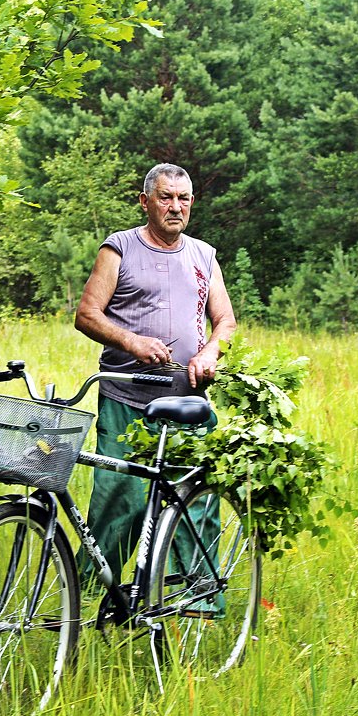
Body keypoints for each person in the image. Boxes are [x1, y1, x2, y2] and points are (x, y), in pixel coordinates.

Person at [73, 162, 237, 588]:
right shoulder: (119, 249)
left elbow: (226, 322)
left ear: (192, 204)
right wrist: (131, 341)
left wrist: (210, 351)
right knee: (118, 500)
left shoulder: (204, 255)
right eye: (166, 197)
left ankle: (195, 599)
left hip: (187, 402)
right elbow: (86, 314)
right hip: (126, 398)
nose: (175, 206)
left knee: (193, 502)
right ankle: (90, 596)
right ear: (145, 201)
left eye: (183, 199)